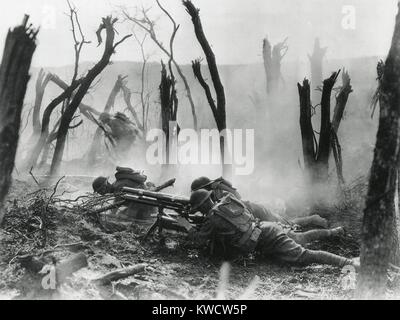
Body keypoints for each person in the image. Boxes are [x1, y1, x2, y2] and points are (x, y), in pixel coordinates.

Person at [177, 189, 358, 268]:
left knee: (303, 255)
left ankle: (349, 263)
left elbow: (199, 240)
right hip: (265, 228)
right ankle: (333, 232)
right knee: (300, 237)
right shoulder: (226, 202)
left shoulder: (213, 220)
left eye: (198, 208)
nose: (199, 211)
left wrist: (185, 225)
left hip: (266, 238)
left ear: (201, 206)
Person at [190, 176, 328, 229]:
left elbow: (238, 199)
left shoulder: (221, 192)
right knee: (284, 223)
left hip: (255, 210)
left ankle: (314, 219)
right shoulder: (216, 195)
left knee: (287, 224)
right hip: (253, 212)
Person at [92, 167, 156, 220]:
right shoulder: (116, 185)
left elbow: (115, 207)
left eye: (99, 191)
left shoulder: (118, 187)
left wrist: (107, 217)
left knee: (125, 220)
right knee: (121, 216)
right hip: (142, 205)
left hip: (145, 206)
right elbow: (115, 205)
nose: (100, 194)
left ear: (103, 187)